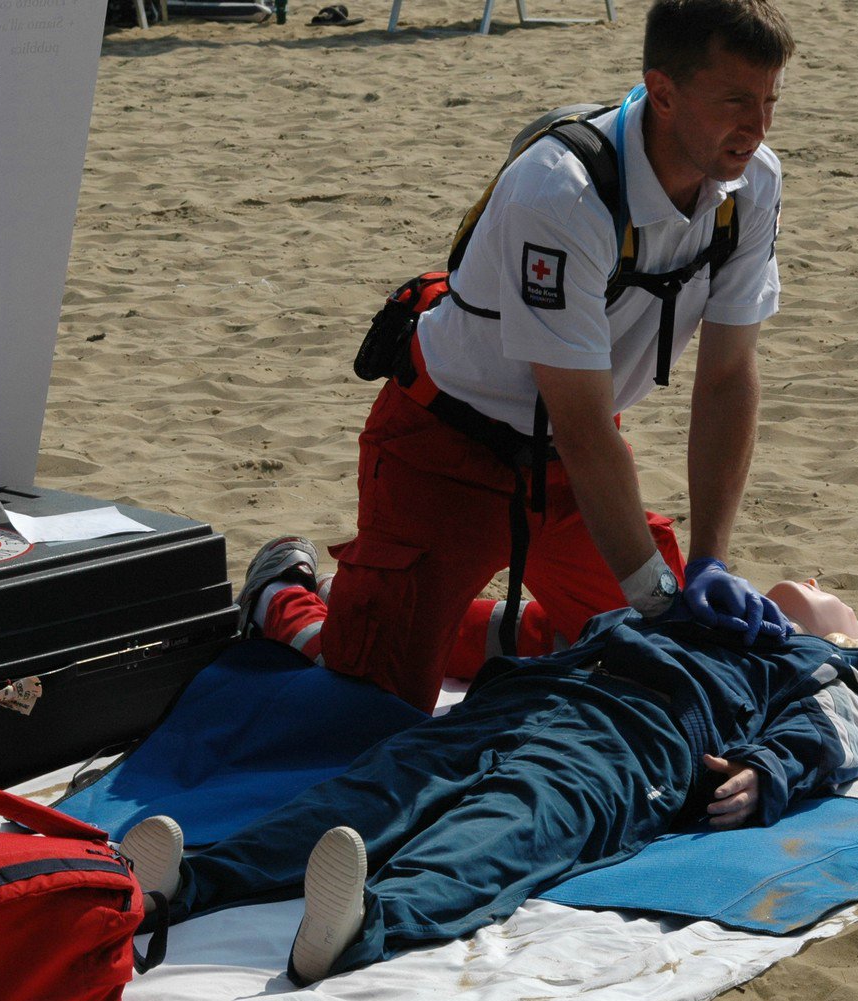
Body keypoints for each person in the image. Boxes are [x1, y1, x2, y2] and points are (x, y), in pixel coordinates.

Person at [240, 0, 796, 713]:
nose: (758, 127)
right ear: (663, 91)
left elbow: (725, 379)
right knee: (368, 708)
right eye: (735, 102)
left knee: (656, 670)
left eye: (770, 100)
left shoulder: (752, 184)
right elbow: (581, 422)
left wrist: (710, 560)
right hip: (445, 446)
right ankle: (289, 600)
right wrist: (657, 596)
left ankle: (455, 618)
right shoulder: (562, 191)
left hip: (571, 463)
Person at [121, 579, 858, 984]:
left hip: (634, 739)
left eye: (821, 586)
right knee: (377, 789)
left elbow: (831, 739)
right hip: (526, 698)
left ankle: (364, 922)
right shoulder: (686, 606)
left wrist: (764, 770)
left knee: (510, 824)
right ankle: (185, 884)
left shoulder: (820, 667)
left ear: (844, 633)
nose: (805, 577)